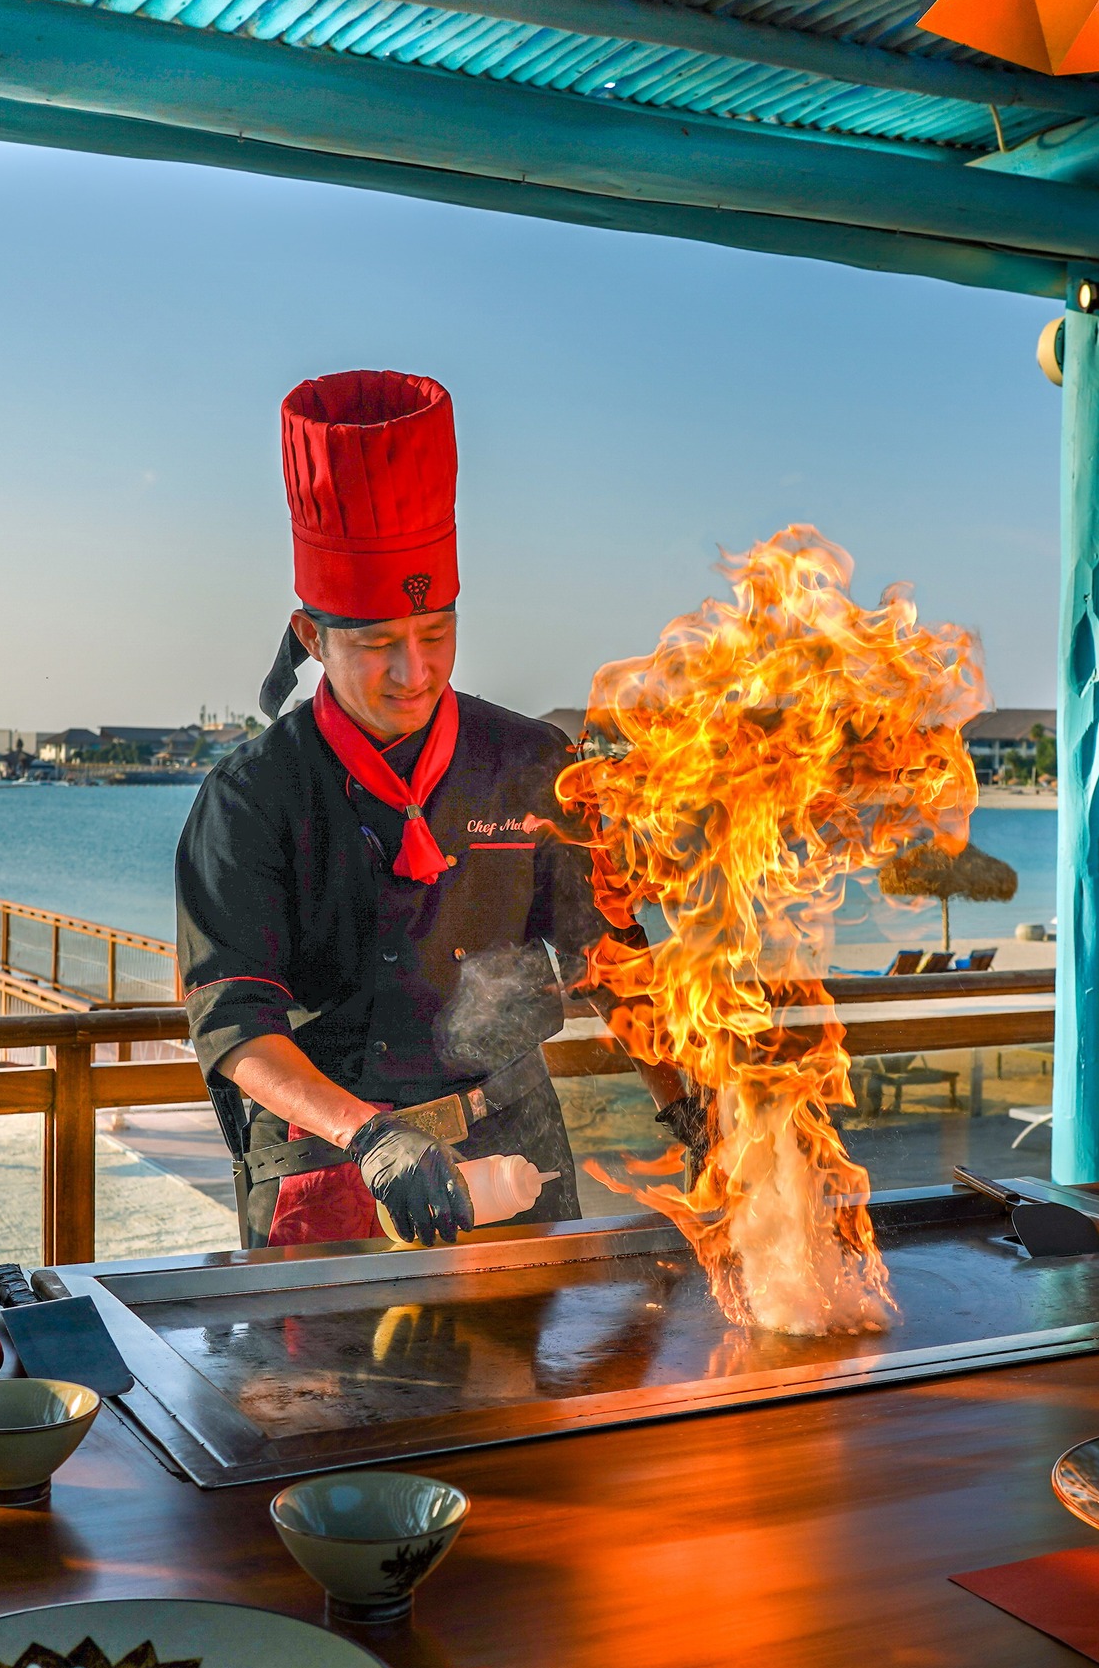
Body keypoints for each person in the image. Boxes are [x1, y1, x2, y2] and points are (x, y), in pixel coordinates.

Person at [175, 368, 707, 1249]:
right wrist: (370, 1135)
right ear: (312, 637)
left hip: (515, 1148)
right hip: (332, 1159)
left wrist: (689, 1108)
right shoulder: (252, 796)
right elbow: (232, 1022)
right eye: (378, 642)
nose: (413, 672)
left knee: (540, 1343)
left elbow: (611, 954)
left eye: (435, 634)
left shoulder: (530, 763)